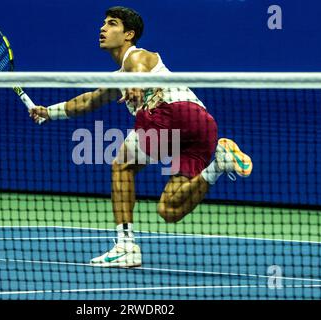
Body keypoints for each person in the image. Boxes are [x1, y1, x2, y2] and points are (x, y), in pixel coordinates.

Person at [29, 6, 253, 268]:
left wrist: (136, 84)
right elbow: (88, 101)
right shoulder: (120, 77)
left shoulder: (138, 57)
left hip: (171, 113)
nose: (103, 29)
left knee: (122, 164)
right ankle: (219, 165)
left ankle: (125, 246)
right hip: (202, 124)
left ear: (129, 34)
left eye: (112, 24)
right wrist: (49, 112)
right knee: (170, 210)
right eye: (103, 24)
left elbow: (138, 66)